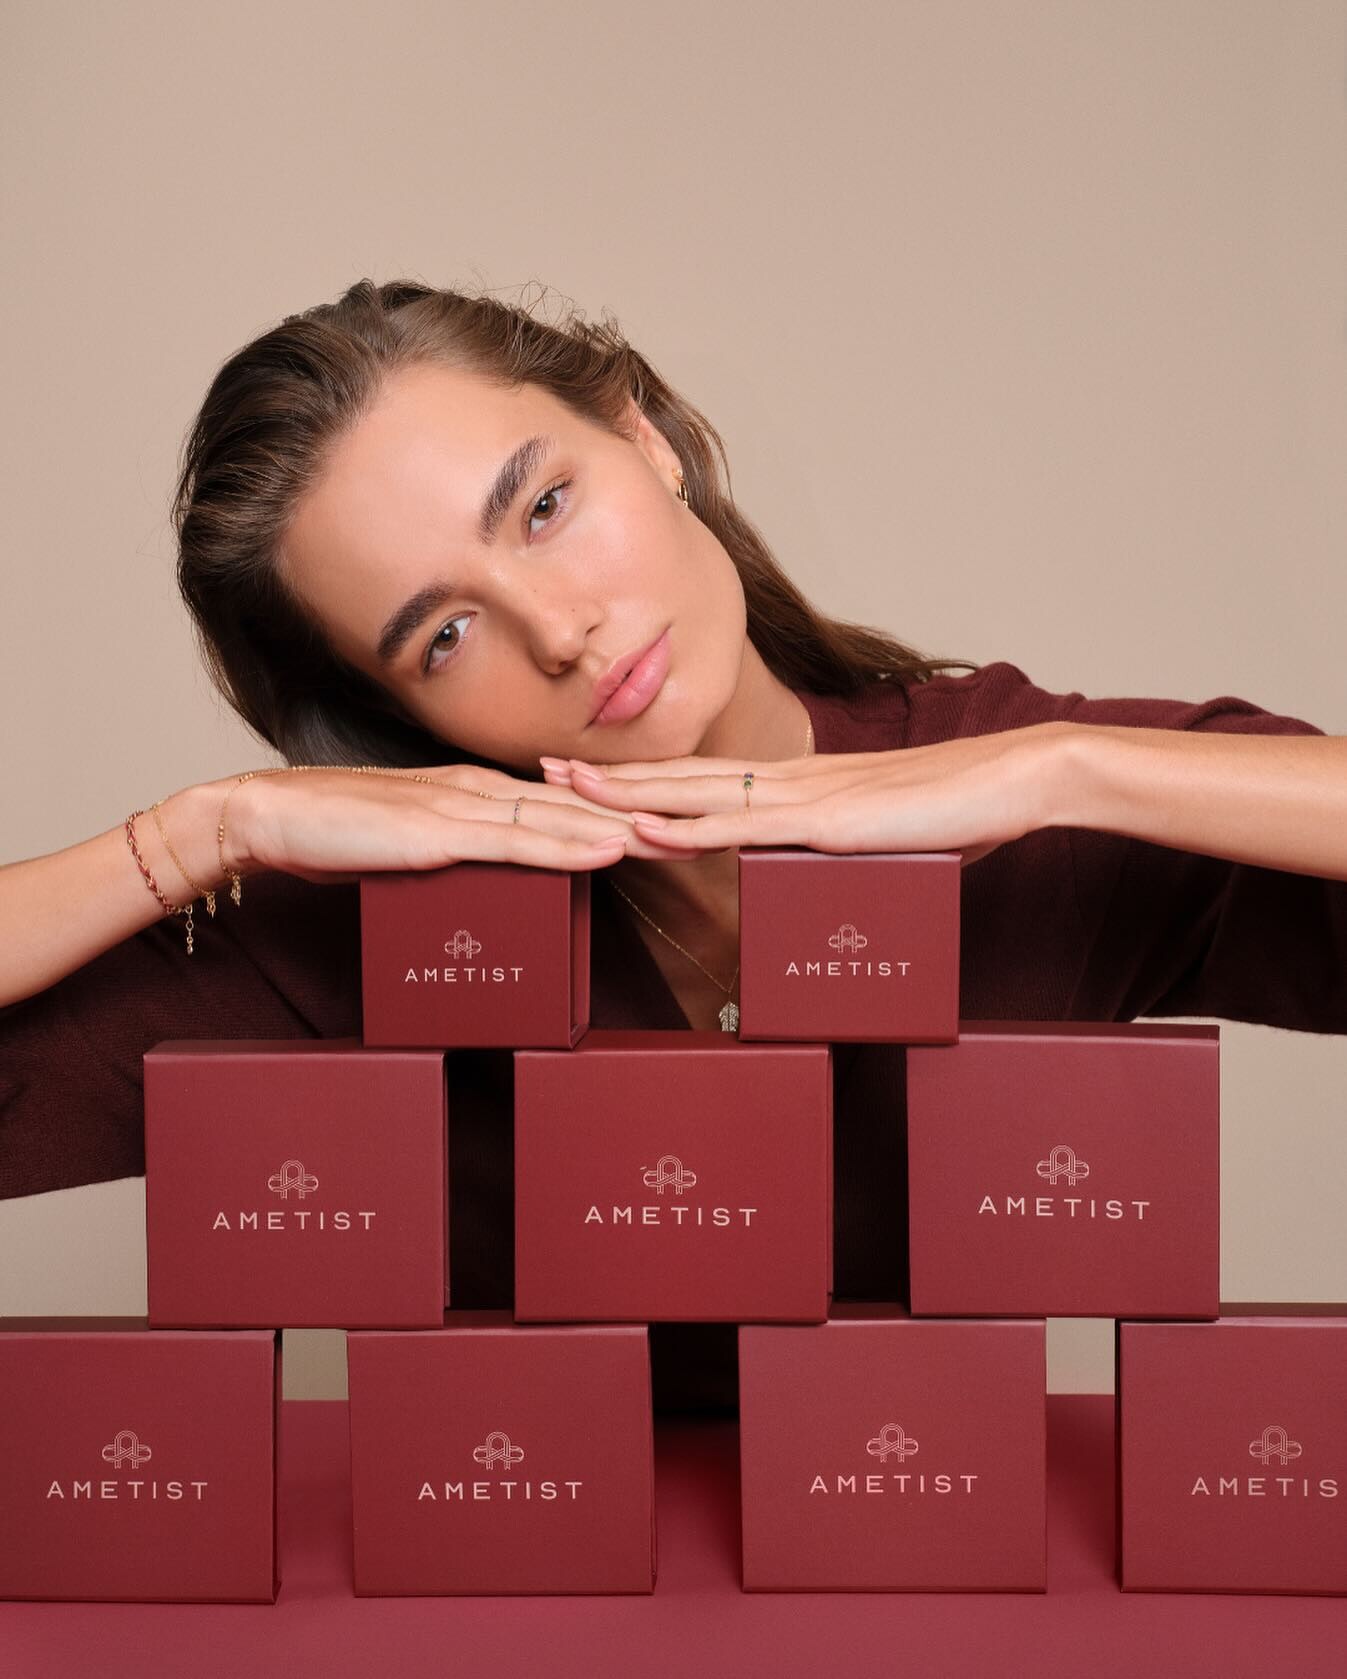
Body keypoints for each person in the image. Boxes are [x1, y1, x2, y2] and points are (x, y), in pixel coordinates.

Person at [3, 279, 1345, 1413]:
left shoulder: (1016, 793)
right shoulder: (374, 940)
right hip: (528, 1607)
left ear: (645, 439)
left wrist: (1065, 768)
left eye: (543, 507)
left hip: (942, 1592)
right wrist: (203, 831)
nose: (560, 631)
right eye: (444, 636)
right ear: (396, 714)